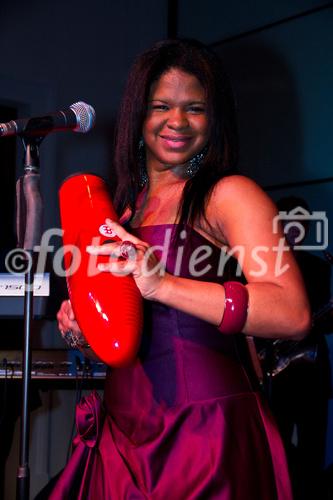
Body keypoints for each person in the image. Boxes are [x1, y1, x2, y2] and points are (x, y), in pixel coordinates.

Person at [51, 39, 310, 499]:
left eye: (195, 108)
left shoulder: (229, 194)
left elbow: (292, 313)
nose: (177, 122)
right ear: (138, 115)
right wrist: (83, 331)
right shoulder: (123, 212)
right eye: (161, 106)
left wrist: (164, 284)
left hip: (206, 441)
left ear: (214, 120)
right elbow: (134, 348)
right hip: (123, 442)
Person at [260, 196, 332, 500]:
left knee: (313, 445)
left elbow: (324, 321)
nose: (294, 232)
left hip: (311, 370)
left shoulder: (317, 266)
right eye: (288, 225)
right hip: (280, 370)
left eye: (300, 226)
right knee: (279, 448)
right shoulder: (264, 269)